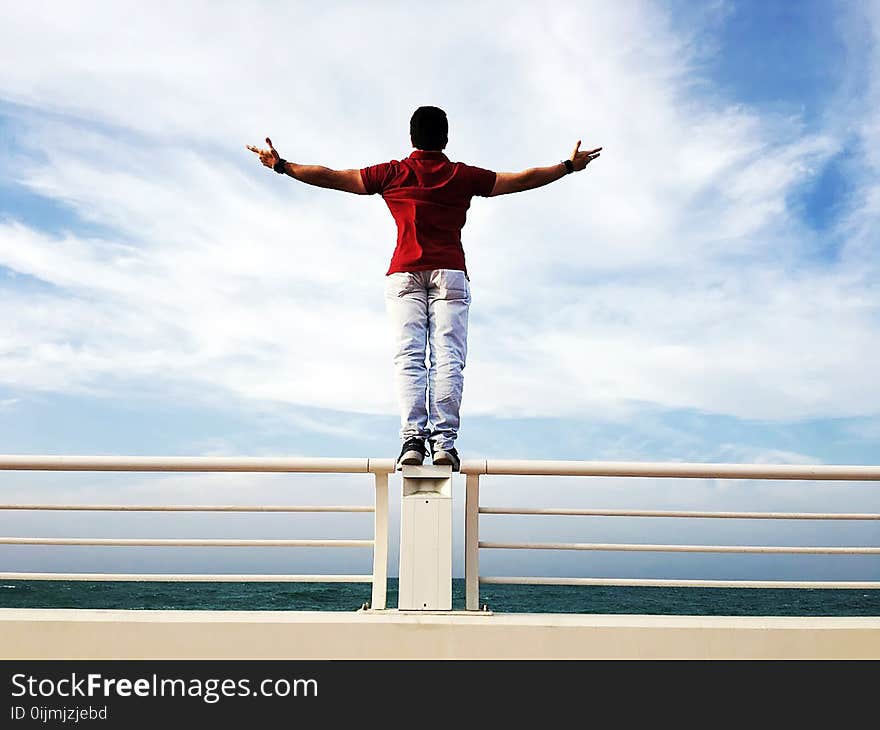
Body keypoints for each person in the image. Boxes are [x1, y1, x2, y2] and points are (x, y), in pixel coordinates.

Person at [247, 106, 601, 471]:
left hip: (404, 274)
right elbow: (519, 179)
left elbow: (334, 177)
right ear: (445, 138)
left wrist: (283, 165)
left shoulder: (393, 173)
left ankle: (413, 440)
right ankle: (444, 444)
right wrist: (567, 166)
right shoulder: (461, 176)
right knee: (449, 357)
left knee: (409, 357)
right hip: (450, 273)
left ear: (412, 137)